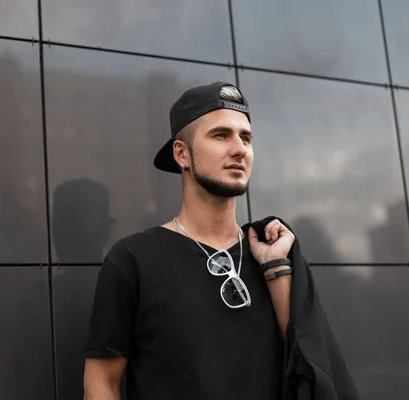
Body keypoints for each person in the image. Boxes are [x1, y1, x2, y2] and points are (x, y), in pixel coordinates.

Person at [82, 82, 361, 400]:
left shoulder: (272, 254)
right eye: (221, 135)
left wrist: (276, 269)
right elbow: (102, 381)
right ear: (182, 153)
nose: (240, 149)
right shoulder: (133, 259)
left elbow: (310, 369)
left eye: (246, 138)